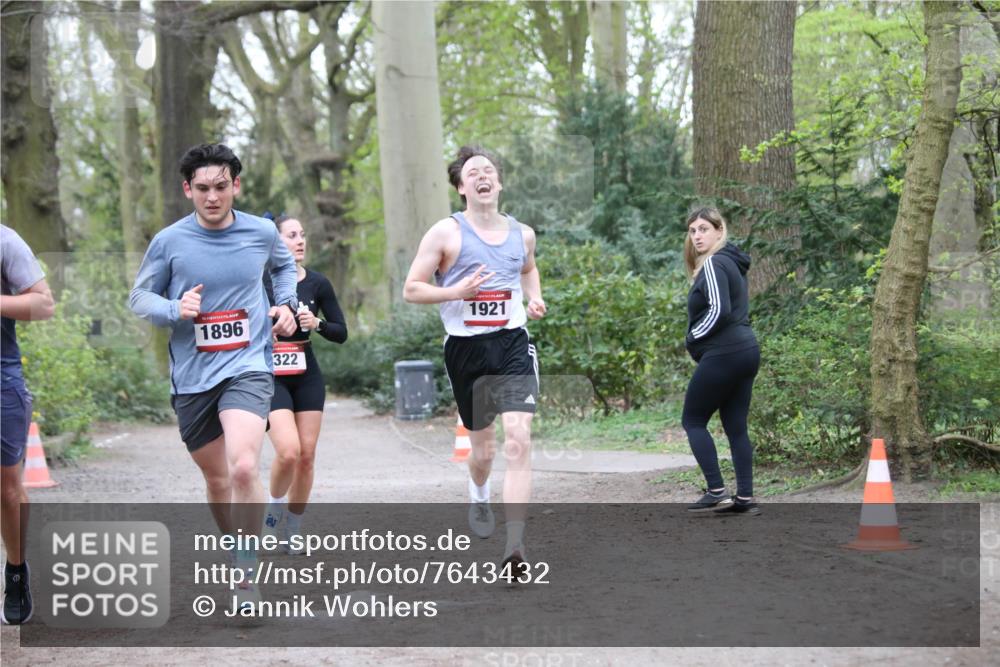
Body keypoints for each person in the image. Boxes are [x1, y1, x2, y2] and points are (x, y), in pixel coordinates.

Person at [129, 143, 298, 608]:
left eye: (221, 187)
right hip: (192, 377)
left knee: (244, 465)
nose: (212, 197)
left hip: (248, 364)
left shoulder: (262, 232)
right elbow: (139, 297)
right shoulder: (169, 241)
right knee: (219, 480)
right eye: (202, 188)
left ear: (236, 186)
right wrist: (174, 308)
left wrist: (284, 305)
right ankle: (237, 548)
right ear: (187, 190)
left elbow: (284, 268)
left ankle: (247, 573)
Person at [403, 145, 545, 574]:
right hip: (466, 350)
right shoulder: (445, 234)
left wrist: (535, 297)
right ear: (461, 187)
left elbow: (528, 268)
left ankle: (514, 545)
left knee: (519, 440)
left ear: (499, 183)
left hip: (512, 342)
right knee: (483, 451)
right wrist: (454, 293)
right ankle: (478, 492)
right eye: (472, 173)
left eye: (489, 171)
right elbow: (412, 289)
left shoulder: (523, 234)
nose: (482, 176)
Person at [260, 214, 347, 552]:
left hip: (307, 372)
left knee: (307, 455)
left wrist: (318, 324)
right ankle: (272, 509)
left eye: (302, 234)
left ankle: (293, 528)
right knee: (288, 451)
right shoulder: (261, 283)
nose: (300, 241)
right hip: (271, 375)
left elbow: (341, 332)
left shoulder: (318, 284)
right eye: (291, 235)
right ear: (275, 242)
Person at [681, 207, 761, 515]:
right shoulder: (732, 264)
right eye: (692, 231)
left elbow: (719, 310)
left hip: (725, 352)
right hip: (746, 350)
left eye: (703, 229)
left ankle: (716, 491)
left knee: (693, 420)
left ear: (719, 231)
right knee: (736, 427)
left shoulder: (715, 263)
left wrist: (693, 338)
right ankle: (745, 498)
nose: (697, 236)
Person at [0, 226, 55, 625]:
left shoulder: (5, 241)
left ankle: (16, 570)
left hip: (1, 378)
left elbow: (43, 305)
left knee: (6, 488)